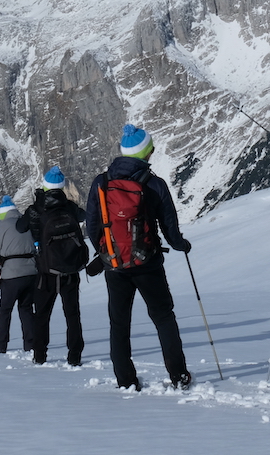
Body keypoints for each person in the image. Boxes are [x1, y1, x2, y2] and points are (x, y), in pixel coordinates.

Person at [86, 124, 193, 391]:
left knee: (119, 323)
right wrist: (181, 245)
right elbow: (169, 226)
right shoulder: (154, 183)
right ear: (145, 152)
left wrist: (106, 251)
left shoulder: (101, 182)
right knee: (163, 317)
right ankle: (178, 376)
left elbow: (92, 224)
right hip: (148, 263)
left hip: (114, 265)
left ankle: (125, 380)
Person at [17, 166, 86, 366]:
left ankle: (40, 355)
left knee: (42, 314)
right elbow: (85, 216)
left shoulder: (35, 210)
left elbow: (20, 227)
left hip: (46, 271)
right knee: (72, 314)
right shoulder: (70, 207)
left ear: (45, 186)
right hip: (70, 269)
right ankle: (75, 356)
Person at [0, 195, 36, 354]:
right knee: (26, 308)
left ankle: (1, 345)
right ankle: (31, 344)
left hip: (11, 275)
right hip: (32, 272)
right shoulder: (26, 222)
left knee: (5, 310)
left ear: (2, 213)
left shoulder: (1, 226)